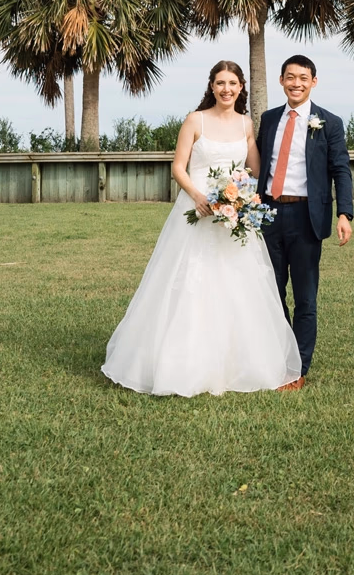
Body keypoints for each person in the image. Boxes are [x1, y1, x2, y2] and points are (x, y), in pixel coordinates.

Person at [102, 60, 301, 397]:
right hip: (195, 213)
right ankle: (177, 363)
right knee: (187, 284)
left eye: (233, 84)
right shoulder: (195, 120)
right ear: (212, 86)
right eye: (220, 83)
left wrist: (237, 197)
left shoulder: (246, 124)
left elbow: (253, 171)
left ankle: (239, 363)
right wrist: (198, 196)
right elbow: (178, 166)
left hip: (232, 218)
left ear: (241, 88)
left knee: (238, 287)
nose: (226, 89)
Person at [256, 55, 354, 391]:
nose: (296, 83)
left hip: (306, 217)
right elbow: (257, 166)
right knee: (271, 293)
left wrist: (345, 213)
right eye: (290, 77)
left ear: (314, 82)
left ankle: (298, 369)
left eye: (303, 77)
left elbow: (340, 169)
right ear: (281, 81)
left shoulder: (329, 122)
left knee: (306, 297)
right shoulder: (268, 120)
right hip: (267, 215)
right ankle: (279, 357)